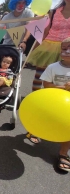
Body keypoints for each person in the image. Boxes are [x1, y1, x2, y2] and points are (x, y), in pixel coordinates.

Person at [25, 0, 70, 143]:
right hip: (48, 49)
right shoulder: (53, 12)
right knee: (39, 83)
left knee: (63, 87)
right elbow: (43, 34)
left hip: (67, 52)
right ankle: (34, 124)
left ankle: (60, 124)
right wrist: (34, 52)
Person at [39, 38, 70, 172]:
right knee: (42, 119)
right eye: (64, 49)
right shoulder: (53, 67)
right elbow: (46, 85)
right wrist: (63, 87)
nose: (67, 51)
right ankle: (34, 131)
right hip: (52, 101)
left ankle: (63, 153)